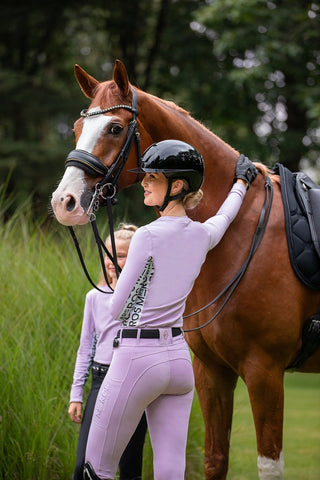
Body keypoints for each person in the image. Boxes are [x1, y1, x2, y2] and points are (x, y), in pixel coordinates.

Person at [83, 139, 258, 480]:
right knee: (170, 471)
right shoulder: (203, 234)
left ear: (177, 186)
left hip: (137, 356)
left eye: (153, 177)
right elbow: (225, 215)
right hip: (178, 360)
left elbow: (117, 309)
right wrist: (241, 182)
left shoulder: (146, 236)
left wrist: (129, 283)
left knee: (96, 468)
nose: (144, 182)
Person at [68, 224, 147, 480]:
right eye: (108, 253)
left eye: (121, 255)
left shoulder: (144, 298)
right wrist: (76, 395)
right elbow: (85, 348)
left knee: (130, 466)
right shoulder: (94, 296)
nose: (112, 260)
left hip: (133, 381)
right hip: (101, 380)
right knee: (84, 464)